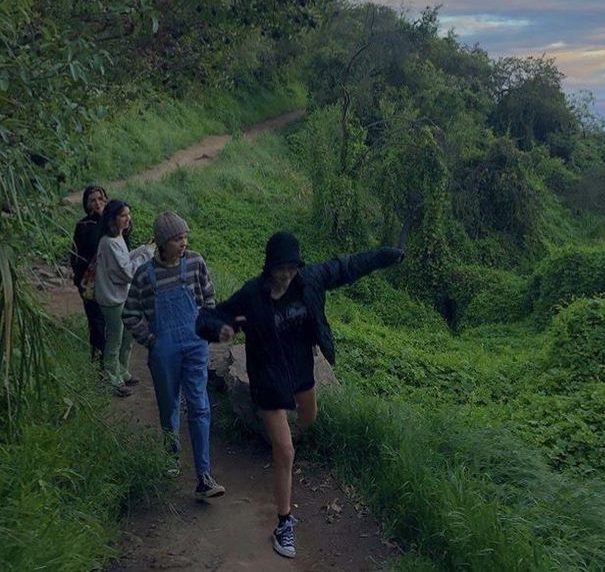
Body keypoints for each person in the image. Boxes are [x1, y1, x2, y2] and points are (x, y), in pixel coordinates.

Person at [196, 231, 404, 559]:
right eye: (282, 268)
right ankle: (283, 522)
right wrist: (218, 330)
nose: (287, 275)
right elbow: (210, 317)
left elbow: (347, 266)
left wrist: (384, 256)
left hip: (301, 371)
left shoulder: (309, 281)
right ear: (269, 266)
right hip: (269, 378)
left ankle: (284, 448)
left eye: (293, 267)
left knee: (309, 418)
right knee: (286, 452)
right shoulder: (252, 295)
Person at [122, 211, 225, 501]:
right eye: (177, 238)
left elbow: (208, 297)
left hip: (194, 346)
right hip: (163, 351)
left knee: (200, 406)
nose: (184, 242)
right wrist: (152, 341)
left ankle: (204, 477)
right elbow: (129, 314)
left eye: (185, 236)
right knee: (169, 407)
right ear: (162, 242)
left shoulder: (195, 262)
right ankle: (171, 458)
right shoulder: (145, 275)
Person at [95, 199, 151, 397]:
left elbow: (125, 259)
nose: (128, 219)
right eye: (123, 215)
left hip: (122, 295)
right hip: (111, 298)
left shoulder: (117, 238)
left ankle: (123, 371)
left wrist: (144, 249)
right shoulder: (108, 242)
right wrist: (146, 255)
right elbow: (127, 272)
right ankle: (113, 378)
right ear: (112, 219)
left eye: (129, 214)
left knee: (128, 336)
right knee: (115, 338)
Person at [70, 185, 107, 363]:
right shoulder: (84, 226)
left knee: (114, 326)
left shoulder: (114, 222)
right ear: (87, 204)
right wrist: (80, 283)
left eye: (101, 199)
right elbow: (77, 255)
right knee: (97, 325)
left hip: (112, 283)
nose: (98, 203)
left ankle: (115, 370)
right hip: (91, 283)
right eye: (93, 200)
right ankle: (100, 370)